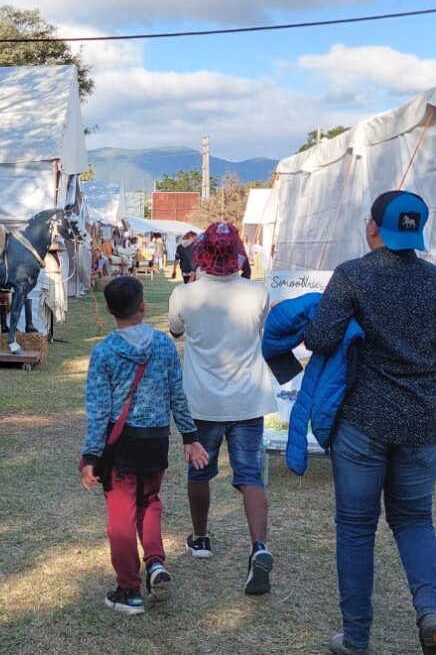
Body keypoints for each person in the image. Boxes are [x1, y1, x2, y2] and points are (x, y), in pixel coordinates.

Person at [305, 191, 436, 655]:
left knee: (356, 528)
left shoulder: (352, 276)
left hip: (362, 424)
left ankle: (356, 640)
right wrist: (429, 404)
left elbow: (321, 339)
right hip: (423, 425)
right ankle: (431, 613)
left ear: (373, 227)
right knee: (414, 521)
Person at [81, 276, 208, 615]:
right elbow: (178, 395)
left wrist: (91, 455)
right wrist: (190, 437)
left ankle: (129, 590)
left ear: (109, 309)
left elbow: (99, 409)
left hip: (121, 446)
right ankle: (155, 562)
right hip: (155, 442)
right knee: (149, 502)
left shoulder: (104, 351)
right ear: (142, 305)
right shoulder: (165, 345)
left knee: (120, 518)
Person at [168, 221, 278, 596]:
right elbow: (264, 332)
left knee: (199, 472)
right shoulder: (258, 293)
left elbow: (176, 331)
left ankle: (200, 538)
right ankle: (259, 547)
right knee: (251, 476)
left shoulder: (184, 295)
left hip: (202, 402)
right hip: (248, 400)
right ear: (238, 255)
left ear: (201, 254)